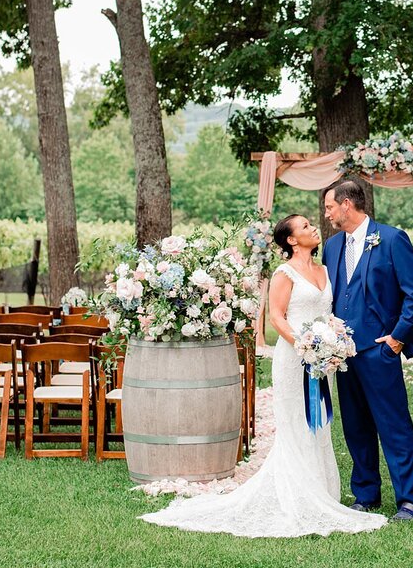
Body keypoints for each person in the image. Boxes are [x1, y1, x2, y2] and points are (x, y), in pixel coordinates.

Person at [140, 214, 386, 537]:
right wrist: (304, 343)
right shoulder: (284, 273)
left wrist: (331, 341)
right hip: (294, 357)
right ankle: (297, 497)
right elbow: (275, 317)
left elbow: (328, 314)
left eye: (312, 224)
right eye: (305, 227)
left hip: (321, 361)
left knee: (320, 423)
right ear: (292, 240)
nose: (314, 228)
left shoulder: (325, 270)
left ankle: (322, 493)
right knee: (297, 425)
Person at [322, 180, 413, 522]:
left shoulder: (392, 239)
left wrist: (397, 338)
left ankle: (410, 501)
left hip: (379, 350)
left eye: (329, 207)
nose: (327, 214)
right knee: (355, 426)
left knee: (394, 425)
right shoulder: (332, 246)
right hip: (343, 355)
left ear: (347, 205)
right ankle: (366, 494)